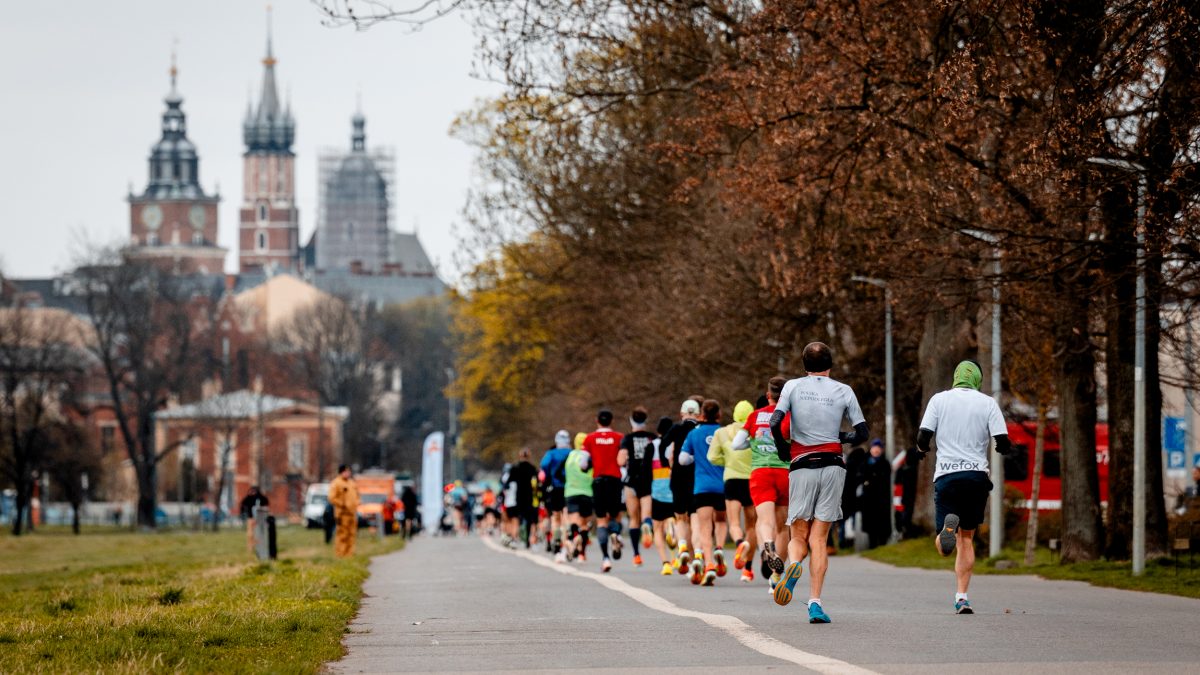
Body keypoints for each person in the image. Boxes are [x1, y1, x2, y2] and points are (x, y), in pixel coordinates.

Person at [770, 342, 868, 623]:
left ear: (804, 364)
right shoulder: (843, 390)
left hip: (802, 464)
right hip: (833, 465)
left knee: (798, 534)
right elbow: (861, 432)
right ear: (830, 364)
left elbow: (776, 422)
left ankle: (794, 565)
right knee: (820, 538)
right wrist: (839, 437)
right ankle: (815, 602)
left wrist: (781, 447)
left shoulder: (792, 387)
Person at [915, 359, 1012, 615]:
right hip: (976, 477)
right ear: (977, 380)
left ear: (956, 377)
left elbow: (923, 436)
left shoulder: (939, 400)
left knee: (944, 545)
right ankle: (962, 597)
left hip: (947, 476)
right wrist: (1003, 450)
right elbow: (1002, 441)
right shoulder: (988, 403)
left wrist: (922, 449)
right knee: (966, 539)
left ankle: (947, 528)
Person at [732, 376, 792, 594]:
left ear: (768, 395)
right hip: (784, 472)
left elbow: (737, 444)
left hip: (760, 472)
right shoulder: (790, 416)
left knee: (764, 521)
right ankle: (776, 577)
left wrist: (754, 441)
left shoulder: (754, 416)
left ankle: (768, 544)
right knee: (784, 525)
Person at [709, 399, 757, 583]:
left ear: (735, 415)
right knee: (752, 525)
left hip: (731, 479)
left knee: (734, 522)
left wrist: (727, 462)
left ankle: (739, 543)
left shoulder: (722, 432)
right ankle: (747, 569)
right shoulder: (755, 432)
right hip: (752, 480)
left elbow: (712, 457)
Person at [680, 399, 727, 586]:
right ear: (719, 415)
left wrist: (696, 457)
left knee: (705, 527)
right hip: (722, 486)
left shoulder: (694, 433)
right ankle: (720, 548)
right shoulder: (723, 433)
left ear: (701, 415)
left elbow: (682, 459)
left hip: (702, 487)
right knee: (721, 521)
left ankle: (708, 564)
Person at [584, 409, 625, 572]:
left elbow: (583, 463)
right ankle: (615, 534)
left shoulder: (590, 438)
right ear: (611, 421)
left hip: (599, 481)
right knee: (614, 516)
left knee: (601, 520)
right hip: (615, 481)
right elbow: (623, 460)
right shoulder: (619, 437)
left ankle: (606, 559)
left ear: (597, 421)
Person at [663, 398, 702, 574]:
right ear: (699, 414)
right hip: (696, 477)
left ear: (682, 414)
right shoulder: (699, 430)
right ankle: (698, 555)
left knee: (680, 517)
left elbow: (663, 445)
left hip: (678, 475)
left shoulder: (676, 428)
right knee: (695, 518)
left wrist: (668, 463)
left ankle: (682, 546)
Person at [621, 406, 658, 567]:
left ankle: (636, 555)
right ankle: (647, 526)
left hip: (631, 480)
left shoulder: (627, 439)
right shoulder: (652, 437)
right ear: (646, 420)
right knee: (646, 514)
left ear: (631, 421)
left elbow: (620, 461)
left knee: (633, 519)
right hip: (648, 479)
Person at [649, 416, 677, 574]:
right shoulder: (676, 443)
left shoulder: (652, 446)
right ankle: (672, 530)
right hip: (674, 490)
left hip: (657, 491)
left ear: (658, 430)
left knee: (657, 528)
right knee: (676, 520)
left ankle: (665, 562)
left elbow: (645, 471)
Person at [541, 431, 573, 559]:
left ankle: (557, 541)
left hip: (555, 488)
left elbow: (544, 466)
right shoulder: (571, 453)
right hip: (569, 488)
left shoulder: (551, 453)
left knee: (555, 517)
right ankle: (566, 544)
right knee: (566, 517)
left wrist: (550, 475)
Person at [563, 433, 595, 562]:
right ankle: (582, 553)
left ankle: (572, 540)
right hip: (587, 492)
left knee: (574, 522)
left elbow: (561, 472)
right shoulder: (589, 456)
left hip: (571, 492)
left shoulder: (570, 456)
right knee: (585, 525)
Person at [860, 439, 893, 549]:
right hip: (868, 499)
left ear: (881, 450)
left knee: (881, 523)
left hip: (881, 499)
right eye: (874, 448)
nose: (876, 451)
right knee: (870, 524)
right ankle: (872, 545)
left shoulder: (885, 464)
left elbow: (885, 481)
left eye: (878, 449)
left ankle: (882, 544)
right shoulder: (865, 462)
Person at [506, 448, 540, 548]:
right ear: (529, 456)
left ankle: (515, 538)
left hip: (519, 497)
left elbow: (508, 482)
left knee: (517, 519)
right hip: (529, 497)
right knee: (529, 519)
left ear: (520, 456)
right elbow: (537, 483)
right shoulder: (532, 468)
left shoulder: (515, 468)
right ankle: (528, 540)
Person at [329, 465, 361, 558]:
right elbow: (331, 497)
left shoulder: (352, 483)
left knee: (352, 534)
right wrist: (341, 504)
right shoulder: (336, 483)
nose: (348, 473)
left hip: (352, 513)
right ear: (341, 472)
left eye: (349, 471)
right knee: (343, 535)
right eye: (345, 471)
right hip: (342, 514)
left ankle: (350, 554)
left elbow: (357, 495)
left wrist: (357, 502)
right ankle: (341, 554)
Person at [239, 486, 269, 554]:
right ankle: (250, 548)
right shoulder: (248, 499)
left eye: (254, 491)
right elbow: (242, 506)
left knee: (259, 534)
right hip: (251, 519)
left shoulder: (261, 498)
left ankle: (260, 547)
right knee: (250, 534)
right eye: (251, 491)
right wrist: (242, 514)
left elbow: (266, 505)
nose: (252, 493)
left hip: (260, 519)